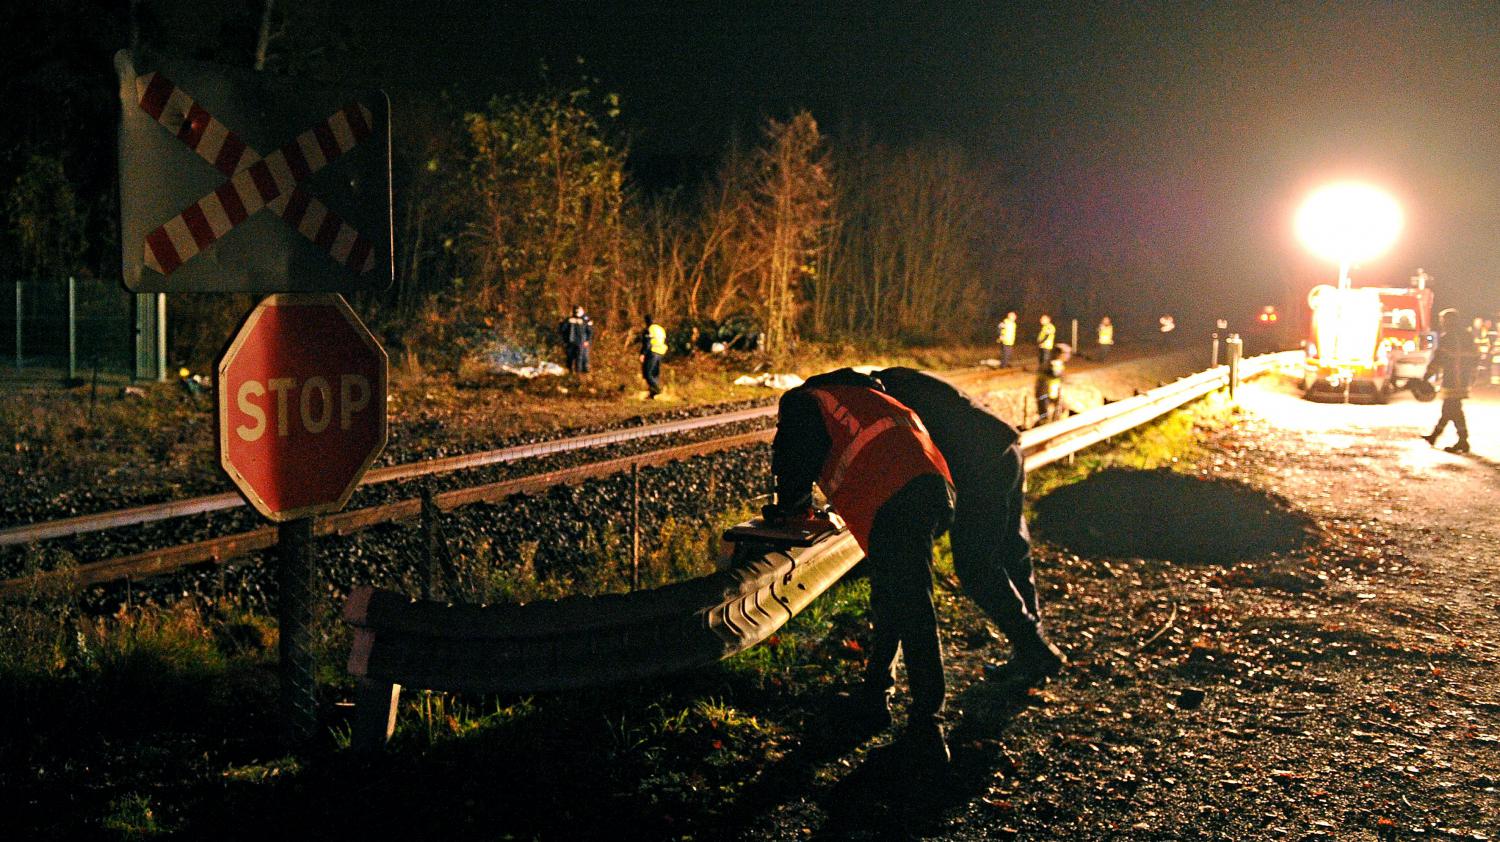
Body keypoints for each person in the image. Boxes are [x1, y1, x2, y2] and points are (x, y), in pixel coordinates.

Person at [764, 368, 955, 767]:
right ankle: (876, 693)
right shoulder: (870, 398)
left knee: (912, 606)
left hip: (895, 494)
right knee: (893, 597)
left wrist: (791, 508)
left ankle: (928, 726)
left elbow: (795, 458)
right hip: (937, 489)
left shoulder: (806, 400)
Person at [874, 368, 1066, 689]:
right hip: (1005, 449)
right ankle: (1032, 650)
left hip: (982, 466)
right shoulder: (899, 380)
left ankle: (1034, 649)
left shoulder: (882, 401)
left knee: (975, 566)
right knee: (1011, 553)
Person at [1423, 308, 1476, 453]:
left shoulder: (1448, 338)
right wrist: (1472, 375)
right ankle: (1436, 436)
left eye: (1443, 321)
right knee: (1450, 409)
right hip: (1463, 379)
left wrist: (1427, 376)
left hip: (1452, 379)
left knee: (1452, 409)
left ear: (1448, 321)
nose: (1442, 324)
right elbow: (1474, 358)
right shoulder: (1467, 336)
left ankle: (1462, 441)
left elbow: (1438, 359)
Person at [639, 313, 668, 398]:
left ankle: (657, 389)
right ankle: (653, 394)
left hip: (652, 352)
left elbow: (647, 343)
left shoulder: (649, 330)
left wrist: (643, 354)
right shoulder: (660, 329)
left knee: (647, 373)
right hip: (661, 352)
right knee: (655, 373)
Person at [558, 306, 593, 374]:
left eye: (578, 311)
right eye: (575, 311)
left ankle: (578, 373)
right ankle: (569, 371)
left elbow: (589, 331)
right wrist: (565, 322)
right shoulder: (569, 320)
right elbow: (562, 330)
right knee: (569, 357)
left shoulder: (585, 320)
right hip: (570, 341)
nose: (576, 312)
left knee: (579, 358)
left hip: (580, 342)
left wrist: (587, 340)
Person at [1035, 357, 1064, 425]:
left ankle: (1052, 421)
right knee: (1044, 411)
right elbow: (1054, 375)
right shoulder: (1054, 364)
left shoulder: (1058, 364)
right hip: (1047, 391)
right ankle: (1045, 423)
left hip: (1052, 391)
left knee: (1055, 409)